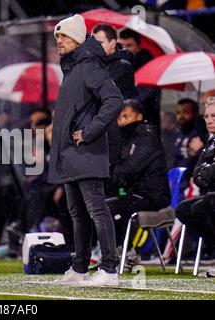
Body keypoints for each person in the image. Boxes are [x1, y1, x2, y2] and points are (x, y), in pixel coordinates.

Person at [48, 14, 123, 286]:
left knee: (96, 210)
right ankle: (80, 268)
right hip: (71, 153)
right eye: (57, 37)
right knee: (78, 213)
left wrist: (89, 132)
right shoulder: (73, 67)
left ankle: (109, 270)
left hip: (86, 151)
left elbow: (114, 100)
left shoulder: (89, 65)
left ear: (78, 38)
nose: (59, 41)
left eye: (64, 36)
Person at [107, 100, 170, 267]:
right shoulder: (127, 139)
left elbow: (129, 168)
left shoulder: (147, 137)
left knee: (112, 208)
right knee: (104, 207)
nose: (122, 121)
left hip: (154, 197)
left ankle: (127, 252)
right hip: (135, 194)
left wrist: (116, 178)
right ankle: (117, 250)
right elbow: (118, 169)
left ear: (139, 116)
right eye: (119, 117)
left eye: (126, 116)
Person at [92, 23, 137, 197]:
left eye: (101, 42)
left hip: (115, 136)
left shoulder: (121, 66)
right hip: (100, 137)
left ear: (113, 43)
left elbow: (101, 96)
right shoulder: (94, 67)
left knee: (111, 190)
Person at [176, 97, 215, 265]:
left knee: (205, 204)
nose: (209, 120)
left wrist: (208, 171)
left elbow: (205, 174)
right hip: (210, 193)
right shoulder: (210, 141)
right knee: (183, 209)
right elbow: (199, 176)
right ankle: (211, 247)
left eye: (214, 116)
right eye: (206, 116)